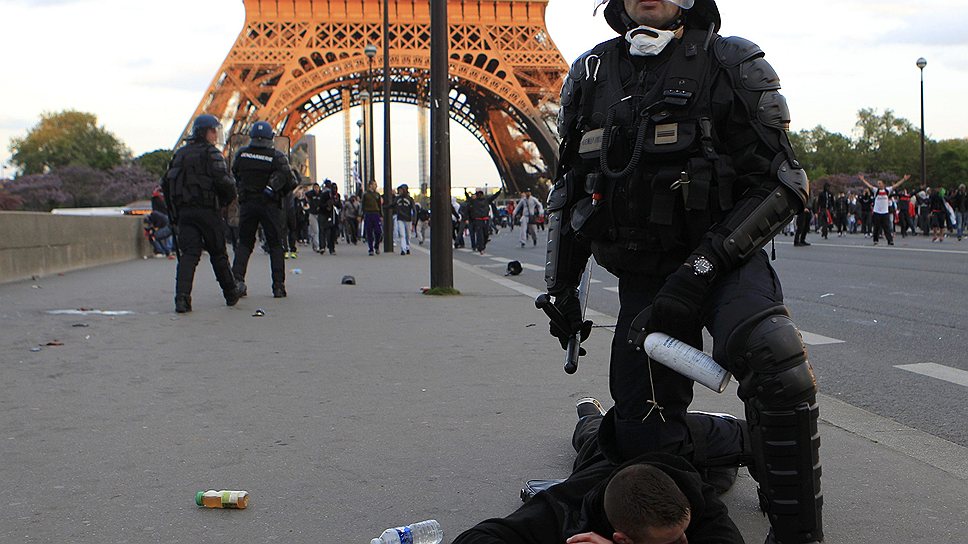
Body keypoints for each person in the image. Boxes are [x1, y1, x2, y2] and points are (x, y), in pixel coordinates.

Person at [544, 2, 822, 542]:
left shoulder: (733, 62)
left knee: (775, 360)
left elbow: (782, 182)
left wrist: (701, 268)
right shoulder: (590, 75)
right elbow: (571, 190)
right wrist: (561, 288)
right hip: (645, 281)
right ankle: (744, 444)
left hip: (725, 265)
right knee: (642, 440)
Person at [452, 399, 744, 544]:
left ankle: (716, 423)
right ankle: (592, 414)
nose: (685, 542)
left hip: (677, 445)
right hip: (602, 452)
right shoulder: (568, 507)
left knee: (722, 472)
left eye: (684, 533)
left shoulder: (693, 497)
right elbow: (476, 538)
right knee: (590, 433)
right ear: (621, 539)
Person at [161, 114, 239, 313]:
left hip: (185, 213)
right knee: (218, 253)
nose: (215, 134)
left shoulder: (180, 155)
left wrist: (175, 213)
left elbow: (168, 183)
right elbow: (225, 182)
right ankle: (230, 292)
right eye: (213, 130)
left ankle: (182, 298)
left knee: (189, 255)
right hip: (207, 211)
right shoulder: (212, 154)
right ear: (206, 132)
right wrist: (224, 201)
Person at [230, 122, 296, 298]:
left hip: (248, 204)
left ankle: (237, 280)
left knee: (244, 244)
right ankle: (278, 286)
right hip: (270, 205)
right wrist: (276, 191)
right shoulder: (276, 156)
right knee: (276, 245)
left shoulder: (241, 154)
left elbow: (234, 174)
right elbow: (291, 181)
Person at [858, 173, 909, 246]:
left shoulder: (887, 190)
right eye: (878, 183)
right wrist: (863, 180)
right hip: (877, 212)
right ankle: (875, 240)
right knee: (876, 227)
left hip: (885, 212)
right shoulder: (876, 191)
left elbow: (896, 185)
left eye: (880, 183)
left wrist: (903, 179)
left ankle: (890, 240)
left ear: (883, 184)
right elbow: (869, 186)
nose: (878, 185)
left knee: (887, 227)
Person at [467, 188, 503, 254]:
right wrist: (499, 191)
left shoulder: (476, 201)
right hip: (480, 219)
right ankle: (481, 247)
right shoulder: (483, 201)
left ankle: (481, 246)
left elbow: (493, 196)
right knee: (481, 234)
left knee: (484, 234)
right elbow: (494, 196)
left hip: (483, 219)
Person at [390, 184, 416, 255]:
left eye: (401, 190)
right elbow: (392, 205)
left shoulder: (410, 199)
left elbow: (414, 210)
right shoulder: (397, 199)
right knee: (402, 234)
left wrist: (414, 221)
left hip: (408, 219)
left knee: (408, 235)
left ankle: (407, 247)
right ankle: (403, 249)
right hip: (400, 218)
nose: (400, 191)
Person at [362, 181, 384, 255]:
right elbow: (362, 205)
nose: (376, 186)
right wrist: (360, 215)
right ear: (370, 185)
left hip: (376, 213)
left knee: (378, 232)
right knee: (369, 231)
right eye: (374, 184)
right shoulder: (365, 194)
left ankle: (376, 245)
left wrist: (381, 215)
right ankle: (370, 248)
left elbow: (379, 206)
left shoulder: (377, 195)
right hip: (368, 213)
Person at [305, 182, 324, 253]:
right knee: (316, 230)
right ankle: (317, 246)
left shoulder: (321, 194)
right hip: (312, 214)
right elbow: (306, 194)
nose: (316, 189)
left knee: (319, 230)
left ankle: (317, 244)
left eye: (317, 188)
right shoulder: (311, 194)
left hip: (320, 214)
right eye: (315, 188)